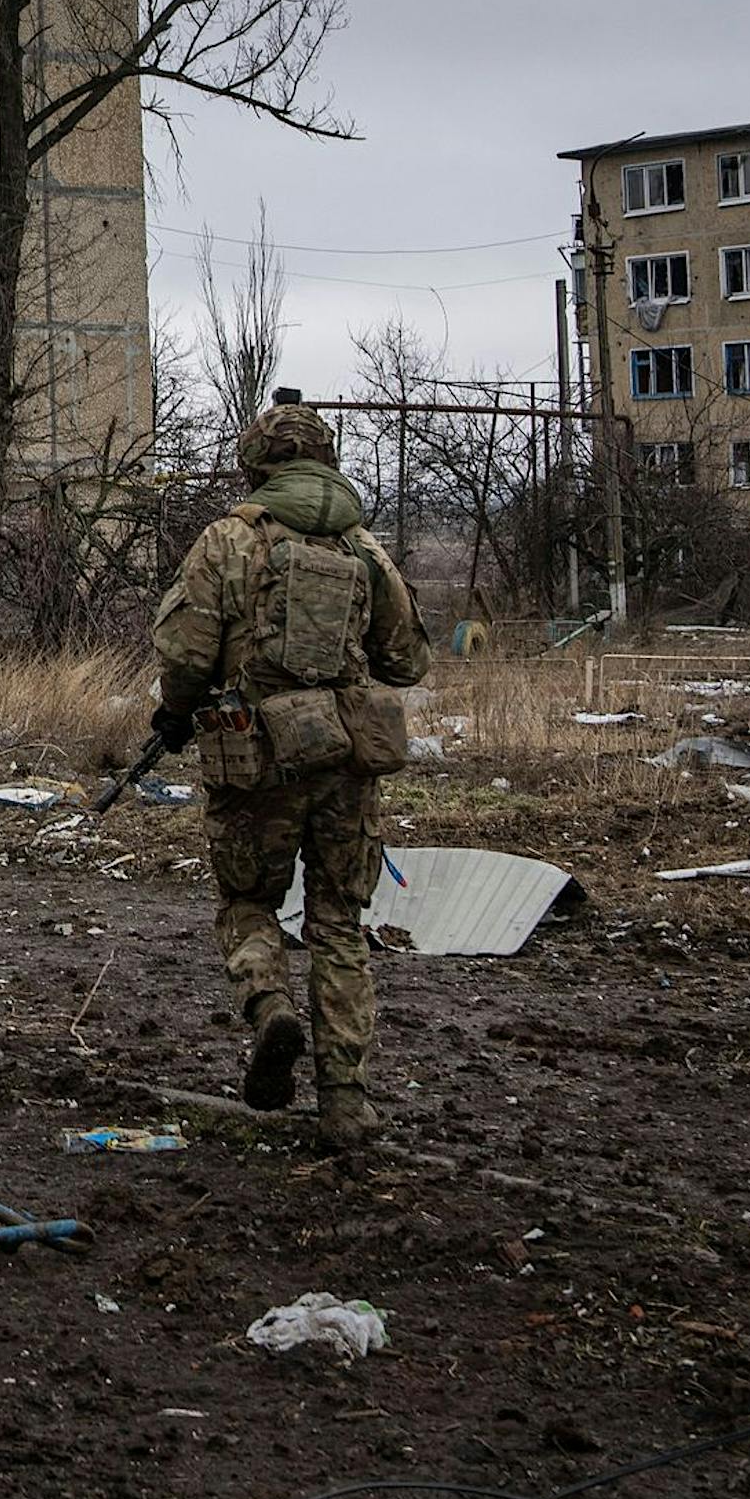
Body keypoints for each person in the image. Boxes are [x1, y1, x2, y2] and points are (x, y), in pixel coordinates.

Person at [150, 395, 432, 1149]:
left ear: (256, 465)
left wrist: (175, 713)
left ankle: (270, 1004)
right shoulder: (363, 549)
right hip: (346, 763)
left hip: (256, 761)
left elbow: (184, 654)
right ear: (327, 462)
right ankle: (346, 1103)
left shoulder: (227, 541)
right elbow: (406, 661)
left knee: (247, 903)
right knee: (339, 924)